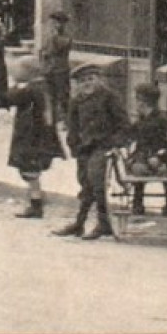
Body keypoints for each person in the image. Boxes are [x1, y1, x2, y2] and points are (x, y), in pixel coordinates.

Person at [53, 63, 129, 240]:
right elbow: (73, 126)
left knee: (96, 182)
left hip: (103, 146)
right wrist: (73, 144)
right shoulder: (76, 101)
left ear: (99, 80)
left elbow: (124, 124)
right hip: (84, 147)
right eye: (83, 81)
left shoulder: (110, 98)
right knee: (85, 183)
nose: (87, 84)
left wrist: (114, 142)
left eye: (91, 79)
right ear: (77, 84)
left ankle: (100, 223)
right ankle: (81, 224)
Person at [5, 55, 65, 219]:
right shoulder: (42, 87)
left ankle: (36, 203)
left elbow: (9, 98)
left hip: (31, 136)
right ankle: (36, 200)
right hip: (39, 135)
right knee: (31, 171)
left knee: (30, 170)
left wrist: (14, 86)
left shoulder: (30, 89)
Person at [124, 83, 167, 219]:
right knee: (138, 169)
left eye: (137, 100)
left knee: (165, 171)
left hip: (163, 159)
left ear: (144, 103)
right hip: (143, 158)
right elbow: (128, 134)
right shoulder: (141, 121)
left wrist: (159, 156)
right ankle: (137, 204)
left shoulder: (163, 121)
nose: (136, 103)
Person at [40, 10, 73, 113]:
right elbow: (43, 50)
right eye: (54, 22)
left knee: (63, 97)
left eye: (58, 22)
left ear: (63, 24)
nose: (55, 25)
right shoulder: (51, 36)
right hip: (49, 69)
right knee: (50, 96)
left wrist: (52, 38)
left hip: (60, 70)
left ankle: (67, 119)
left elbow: (55, 48)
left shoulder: (65, 37)